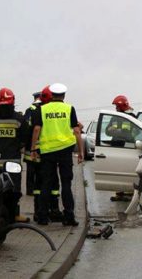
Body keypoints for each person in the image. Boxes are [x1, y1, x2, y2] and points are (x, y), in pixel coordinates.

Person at [30, 83, 84, 226]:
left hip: (47, 151)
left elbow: (36, 129)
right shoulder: (69, 109)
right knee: (66, 183)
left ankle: (42, 217)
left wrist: (33, 149)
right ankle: (69, 217)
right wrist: (81, 152)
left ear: (52, 95)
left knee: (46, 183)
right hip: (66, 150)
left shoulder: (41, 109)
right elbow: (77, 131)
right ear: (64, 95)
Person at [0, 87, 29, 223]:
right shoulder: (19, 119)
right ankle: (13, 215)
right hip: (12, 162)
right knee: (14, 190)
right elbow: (26, 137)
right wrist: (18, 146)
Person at [23, 90, 63, 222]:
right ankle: (53, 210)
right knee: (51, 182)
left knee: (39, 183)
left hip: (38, 151)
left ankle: (39, 212)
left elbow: (30, 130)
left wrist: (30, 148)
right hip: (47, 152)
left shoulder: (34, 110)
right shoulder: (45, 111)